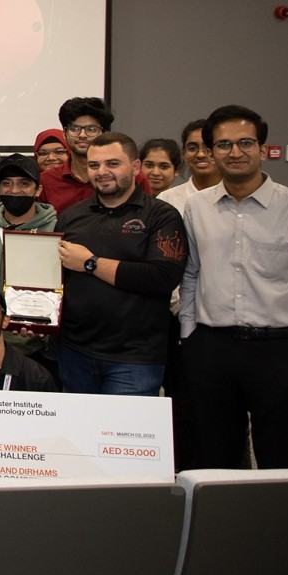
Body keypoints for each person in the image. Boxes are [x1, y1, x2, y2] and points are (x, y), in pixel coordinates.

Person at [179, 104, 288, 470]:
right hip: (211, 348)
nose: (235, 152)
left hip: (278, 350)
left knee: (280, 455)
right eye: (224, 144)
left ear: (262, 149)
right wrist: (190, 336)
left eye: (245, 142)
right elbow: (191, 275)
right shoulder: (196, 208)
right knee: (216, 454)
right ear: (212, 152)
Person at [56, 132, 187, 397]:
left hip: (135, 358)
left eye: (112, 163)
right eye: (94, 165)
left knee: (127, 426)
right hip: (75, 351)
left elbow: (162, 277)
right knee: (80, 425)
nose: (102, 172)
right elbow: (56, 281)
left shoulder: (161, 215)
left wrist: (90, 263)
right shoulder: (71, 216)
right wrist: (35, 317)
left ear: (136, 167)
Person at [0, 155, 57, 369]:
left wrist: (46, 324)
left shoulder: (57, 230)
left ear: (38, 189)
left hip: (42, 343)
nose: (15, 190)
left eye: (24, 183)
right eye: (7, 184)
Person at [41, 96, 148, 211]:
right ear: (64, 134)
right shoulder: (46, 180)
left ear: (105, 133)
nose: (82, 135)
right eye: (74, 129)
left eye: (91, 129)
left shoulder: (132, 176)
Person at [157, 118, 221, 211]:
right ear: (184, 153)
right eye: (192, 148)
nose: (200, 154)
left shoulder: (236, 196)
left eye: (208, 147)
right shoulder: (167, 200)